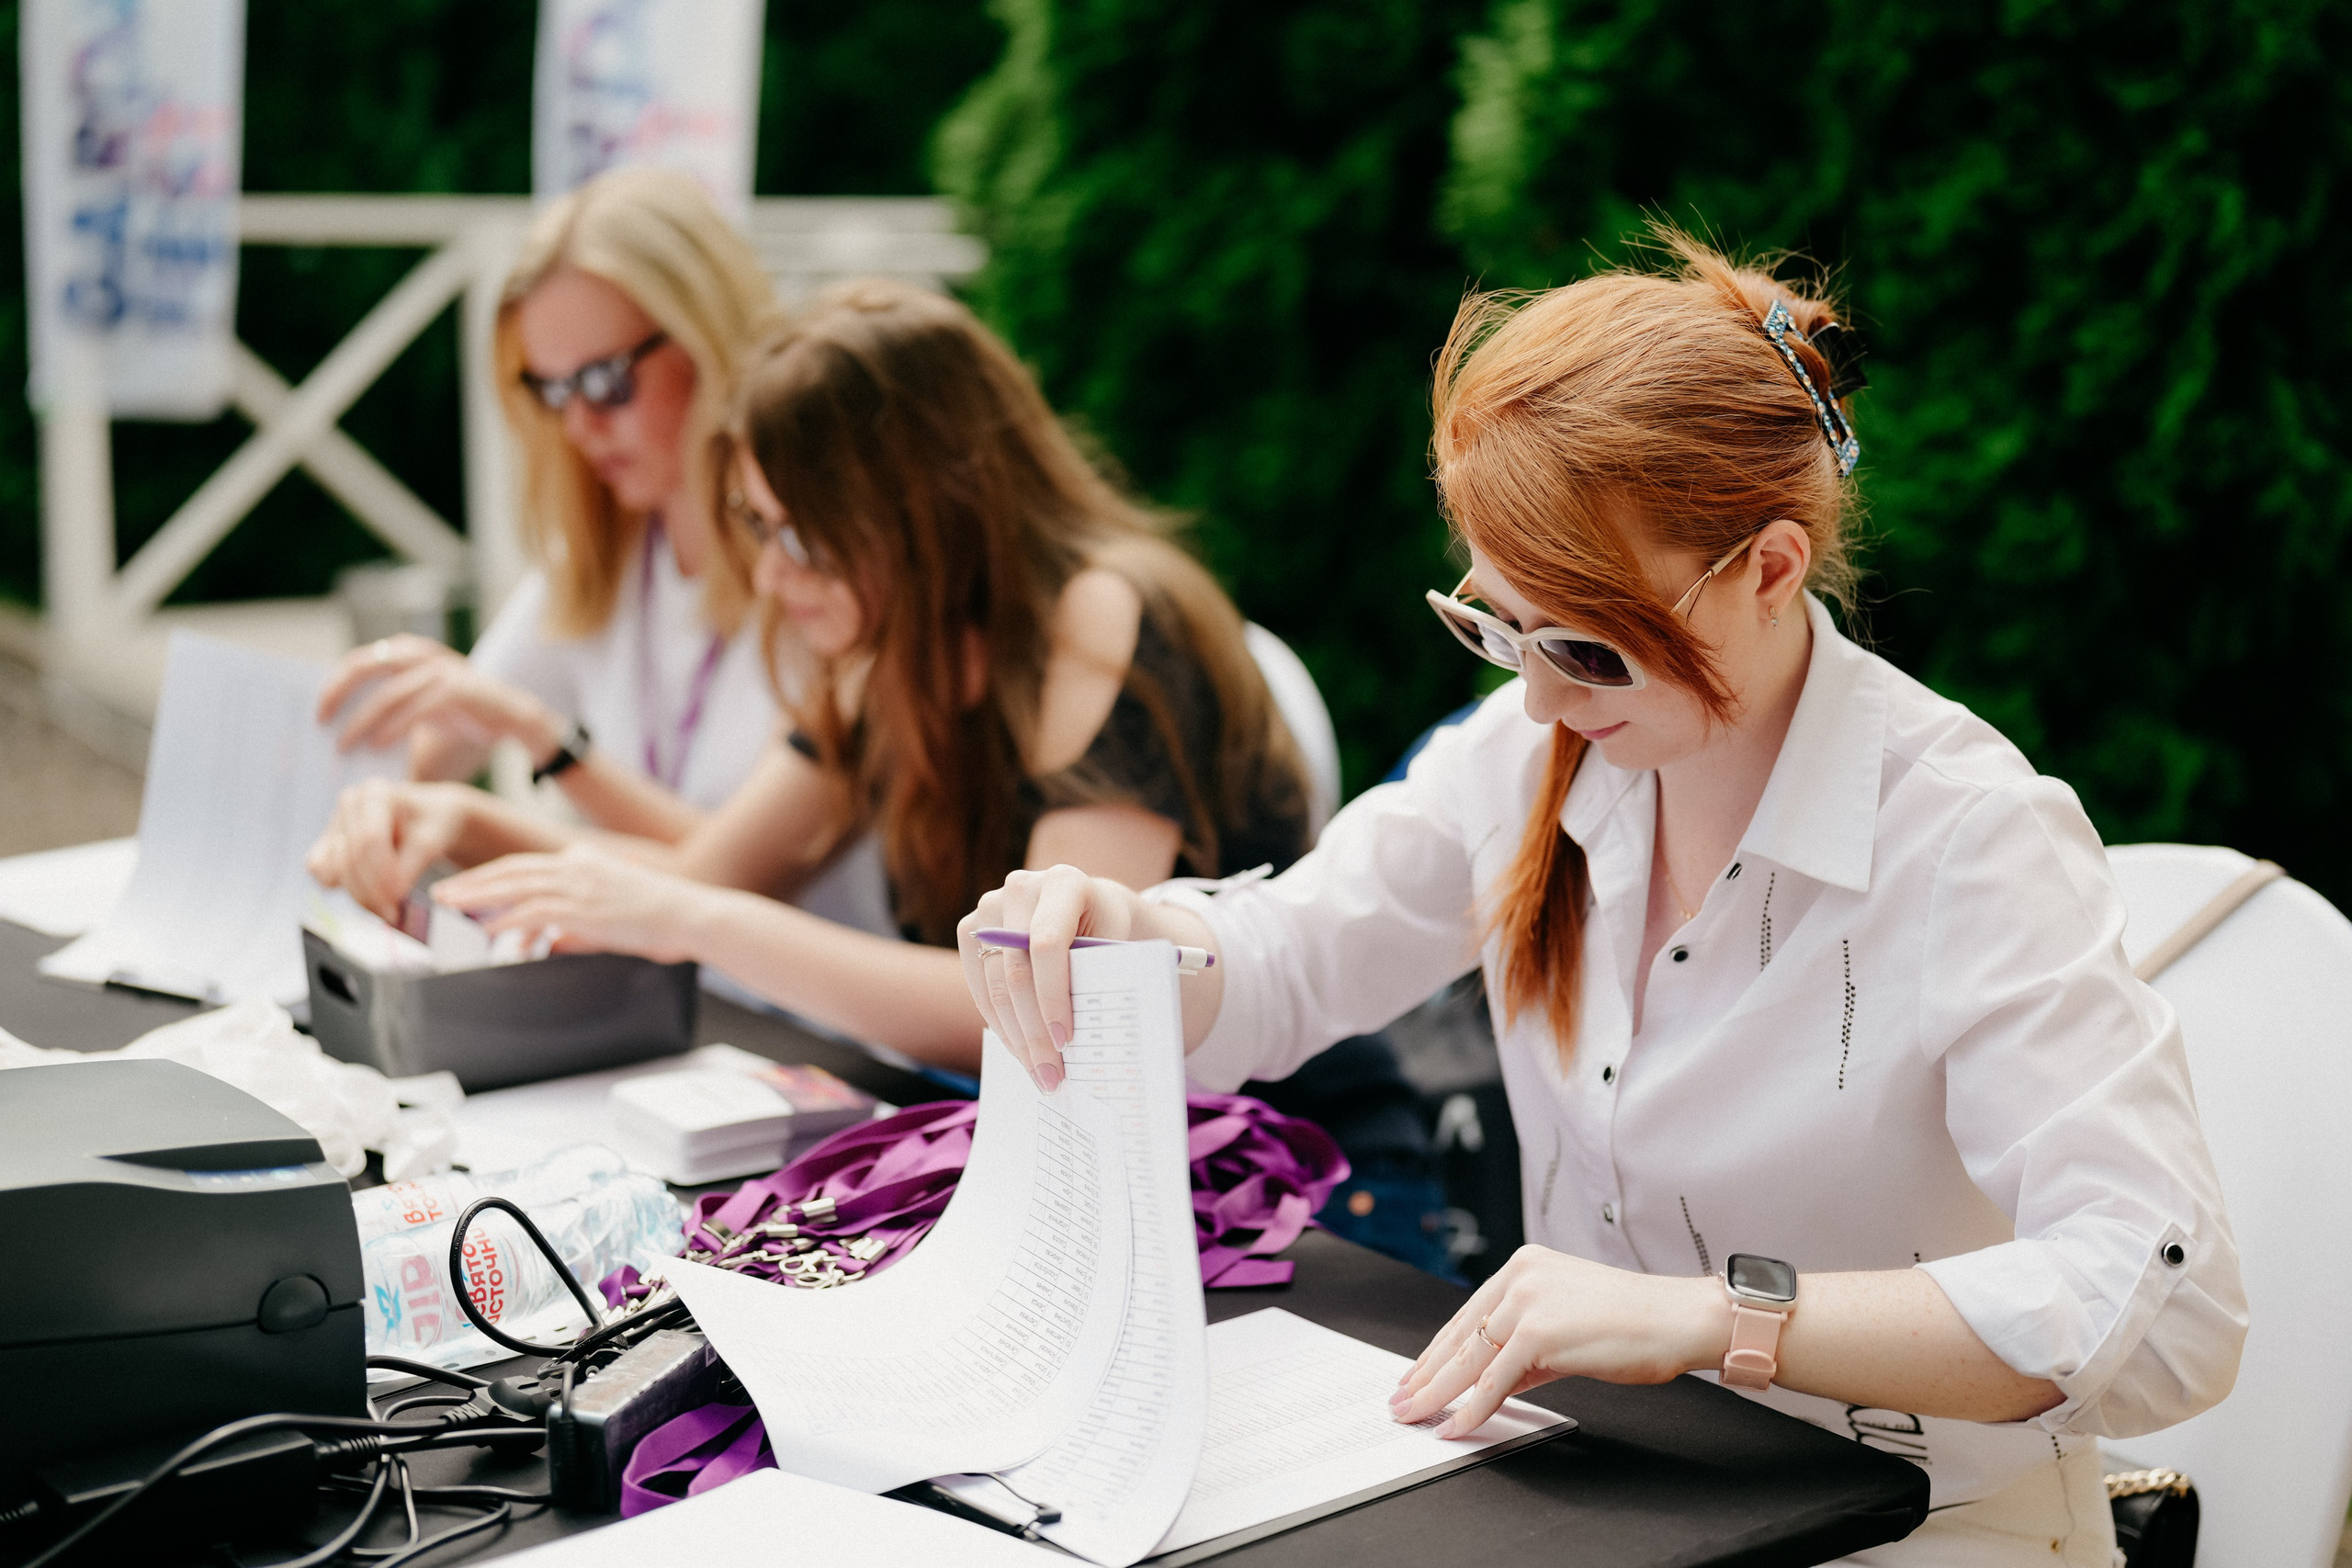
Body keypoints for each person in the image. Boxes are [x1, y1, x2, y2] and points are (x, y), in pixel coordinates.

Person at [959, 232, 2246, 1565]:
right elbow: (1291, 958)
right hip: (1615, 1496)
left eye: (1586, 645)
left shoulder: (1969, 838)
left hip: (1923, 1525)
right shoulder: (1531, 753)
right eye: (1495, 624)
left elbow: (2173, 1306)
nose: (1536, 695)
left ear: (1769, 568)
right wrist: (1126, 932)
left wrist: (1716, 1318)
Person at [318, 279, 1313, 1072]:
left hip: (1286, 1191)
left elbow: (1051, 1006)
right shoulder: (891, 641)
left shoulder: (1109, 619)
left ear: (932, 506)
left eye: (804, 534)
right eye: (758, 525)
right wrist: (464, 825)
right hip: (1052, 1152)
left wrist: (700, 923)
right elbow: (708, 871)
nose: (771, 573)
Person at [308, 167, 829, 919]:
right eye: (552, 391)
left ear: (710, 340)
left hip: (793, 1014)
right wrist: (359, 794)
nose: (579, 426)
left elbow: (737, 873)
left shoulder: (819, 570)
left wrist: (536, 736)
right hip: (667, 998)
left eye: (608, 381)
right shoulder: (601, 559)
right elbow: (424, 760)